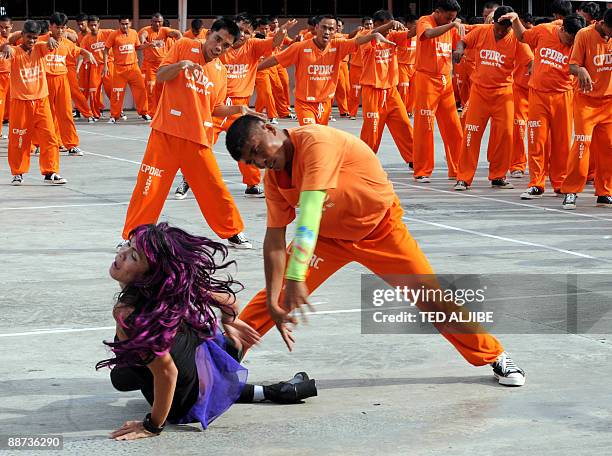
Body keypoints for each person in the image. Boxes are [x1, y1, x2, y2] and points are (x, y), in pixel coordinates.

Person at [225, 115, 526, 387]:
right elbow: (274, 240)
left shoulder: (316, 141)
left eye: (257, 149)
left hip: (381, 230)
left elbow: (311, 210)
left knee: (430, 296)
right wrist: (278, 298)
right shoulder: (275, 179)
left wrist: (295, 275)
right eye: (251, 161)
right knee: (272, 298)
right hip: (327, 239)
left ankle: (493, 354)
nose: (260, 161)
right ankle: (221, 358)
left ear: (268, 127)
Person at [101, 223, 317, 441]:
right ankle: (237, 365)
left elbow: (167, 373)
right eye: (128, 246)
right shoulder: (174, 288)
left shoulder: (127, 313)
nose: (122, 254)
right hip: (202, 363)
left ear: (151, 276)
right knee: (127, 370)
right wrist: (230, 322)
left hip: (183, 400)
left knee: (121, 377)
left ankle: (231, 370)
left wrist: (152, 425)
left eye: (134, 256)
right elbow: (229, 302)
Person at [121, 18, 259, 250]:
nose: (219, 47)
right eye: (218, 40)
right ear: (208, 35)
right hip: (166, 133)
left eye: (226, 45)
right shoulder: (184, 46)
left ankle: (232, 231)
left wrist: (238, 109)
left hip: (197, 139)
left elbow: (214, 108)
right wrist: (182, 65)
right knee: (149, 187)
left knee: (214, 188)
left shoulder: (220, 72)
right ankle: (134, 235)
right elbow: (162, 75)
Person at [503, 12, 586, 199]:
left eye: (575, 39)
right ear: (563, 29)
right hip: (538, 95)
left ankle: (560, 182)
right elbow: (522, 36)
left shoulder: (579, 42)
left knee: (562, 143)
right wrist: (515, 20)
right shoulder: (543, 31)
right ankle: (536, 184)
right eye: (570, 37)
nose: (571, 42)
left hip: (563, 96)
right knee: (536, 140)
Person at [257, 14, 394, 126]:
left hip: (325, 104)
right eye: (323, 27)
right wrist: (254, 70)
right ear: (316, 28)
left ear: (336, 31)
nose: (327, 31)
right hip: (305, 103)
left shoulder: (339, 45)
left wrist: (374, 36)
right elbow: (276, 59)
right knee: (312, 134)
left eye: (331, 28)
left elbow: (357, 41)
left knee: (319, 141)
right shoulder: (300, 47)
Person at [453, 6, 533, 191]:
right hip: (479, 93)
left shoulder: (517, 40)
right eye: (499, 26)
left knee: (505, 136)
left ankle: (498, 176)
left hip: (503, 94)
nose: (502, 30)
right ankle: (463, 178)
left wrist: (532, 70)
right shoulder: (481, 31)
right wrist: (459, 50)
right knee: (471, 134)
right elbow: (463, 41)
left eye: (507, 27)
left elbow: (530, 61)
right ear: (492, 22)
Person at [0, 20, 65, 185]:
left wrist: (49, 39)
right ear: (22, 35)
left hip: (41, 101)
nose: (32, 41)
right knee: (19, 139)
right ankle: (18, 173)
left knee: (50, 137)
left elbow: (49, 42)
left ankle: (50, 172)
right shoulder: (14, 51)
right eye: (29, 37)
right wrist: (5, 46)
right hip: (20, 103)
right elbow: (6, 49)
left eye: (35, 38)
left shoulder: (40, 48)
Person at [560, 8, 612, 209]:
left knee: (608, 149)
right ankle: (571, 190)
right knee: (581, 146)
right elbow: (572, 65)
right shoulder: (584, 34)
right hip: (586, 102)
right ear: (605, 24)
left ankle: (605, 191)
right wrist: (580, 69)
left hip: (608, 102)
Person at [412, 0, 464, 183]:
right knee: (425, 127)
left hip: (445, 80)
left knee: (454, 127)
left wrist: (459, 49)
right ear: (438, 12)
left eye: (454, 18)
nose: (451, 20)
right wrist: (452, 24)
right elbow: (427, 34)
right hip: (426, 79)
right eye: (448, 17)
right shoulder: (425, 21)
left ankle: (457, 168)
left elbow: (461, 42)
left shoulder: (451, 26)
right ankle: (422, 170)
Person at [359, 11, 415, 166]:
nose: (391, 29)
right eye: (387, 24)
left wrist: (427, 21)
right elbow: (372, 34)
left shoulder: (392, 36)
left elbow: (411, 34)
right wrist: (390, 24)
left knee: (404, 124)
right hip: (372, 90)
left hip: (391, 90)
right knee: (372, 129)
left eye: (391, 25)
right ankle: (364, 161)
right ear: (376, 24)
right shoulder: (366, 34)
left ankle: (413, 158)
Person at [44, 12, 96, 156]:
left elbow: (78, 50)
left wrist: (88, 53)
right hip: (45, 81)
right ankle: (42, 143)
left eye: (63, 28)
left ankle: (71, 144)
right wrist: (47, 40)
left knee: (66, 113)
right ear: (50, 27)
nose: (60, 31)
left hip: (62, 80)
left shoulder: (67, 43)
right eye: (57, 27)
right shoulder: (41, 40)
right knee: (46, 115)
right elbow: (28, 43)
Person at [103, 15, 149, 123]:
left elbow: (137, 47)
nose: (125, 26)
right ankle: (114, 116)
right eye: (123, 24)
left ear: (130, 23)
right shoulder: (114, 35)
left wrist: (149, 45)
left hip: (133, 67)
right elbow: (106, 50)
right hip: (119, 69)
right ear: (119, 24)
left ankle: (144, 113)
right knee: (116, 93)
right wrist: (105, 66)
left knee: (141, 90)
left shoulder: (133, 33)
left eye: (127, 23)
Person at [139, 13, 181, 118]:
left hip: (163, 65)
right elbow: (142, 35)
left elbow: (174, 33)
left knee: (164, 89)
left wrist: (178, 35)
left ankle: (164, 110)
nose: (157, 24)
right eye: (155, 22)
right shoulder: (146, 30)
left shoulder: (165, 30)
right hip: (150, 65)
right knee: (151, 88)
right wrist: (144, 41)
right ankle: (152, 113)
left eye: (159, 22)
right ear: (151, 22)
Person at [81, 15, 113, 119]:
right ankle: (96, 113)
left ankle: (117, 111)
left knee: (112, 89)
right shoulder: (86, 38)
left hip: (108, 64)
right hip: (95, 67)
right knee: (93, 90)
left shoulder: (107, 33)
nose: (93, 27)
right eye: (91, 25)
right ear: (88, 26)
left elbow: (118, 35)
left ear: (98, 24)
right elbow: (82, 52)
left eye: (95, 25)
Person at [347, 16, 374, 120]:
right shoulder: (359, 34)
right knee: (355, 91)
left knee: (369, 92)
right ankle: (352, 113)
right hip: (356, 67)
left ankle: (368, 112)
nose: (369, 26)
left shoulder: (374, 34)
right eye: (367, 24)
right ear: (363, 25)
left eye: (370, 24)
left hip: (368, 67)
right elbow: (351, 39)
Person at [397, 15, 417, 115]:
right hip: (402, 65)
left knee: (414, 90)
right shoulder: (401, 34)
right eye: (414, 24)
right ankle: (402, 110)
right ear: (408, 24)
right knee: (404, 89)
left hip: (414, 66)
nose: (416, 26)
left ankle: (410, 111)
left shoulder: (418, 36)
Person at [0, 15, 12, 136]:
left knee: (13, 106)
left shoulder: (17, 39)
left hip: (13, 76)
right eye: (1, 27)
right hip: (0, 76)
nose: (3, 30)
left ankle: (15, 132)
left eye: (6, 27)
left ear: (11, 27)